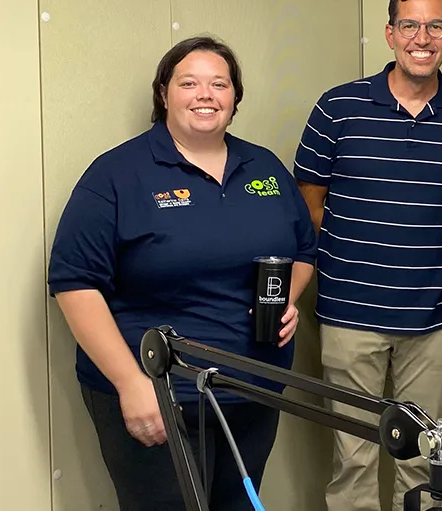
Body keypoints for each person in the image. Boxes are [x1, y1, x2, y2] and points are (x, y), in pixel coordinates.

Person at [47, 36, 318, 511]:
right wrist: (133, 385)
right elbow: (74, 283)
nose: (205, 94)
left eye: (219, 83)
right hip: (158, 394)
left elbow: (301, 250)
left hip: (251, 392)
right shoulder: (118, 174)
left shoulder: (265, 167)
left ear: (235, 97)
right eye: (188, 83)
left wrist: (287, 299)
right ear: (164, 93)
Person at [291, 0, 442, 511]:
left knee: (426, 458)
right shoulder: (338, 108)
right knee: (354, 456)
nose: (422, 37)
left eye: (435, 25)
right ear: (390, 33)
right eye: (409, 25)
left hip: (431, 319)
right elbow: (306, 207)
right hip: (348, 314)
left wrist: (428, 264)